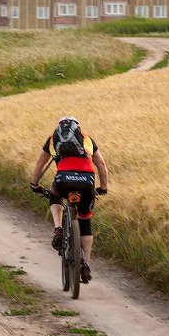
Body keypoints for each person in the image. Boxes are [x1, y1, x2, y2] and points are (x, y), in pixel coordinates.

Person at [30, 116, 108, 283]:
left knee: (55, 195)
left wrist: (35, 184)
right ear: (78, 128)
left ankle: (58, 228)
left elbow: (40, 163)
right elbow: (101, 164)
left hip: (63, 180)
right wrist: (103, 187)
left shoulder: (52, 140)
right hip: (87, 182)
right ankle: (85, 265)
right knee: (85, 223)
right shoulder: (87, 140)